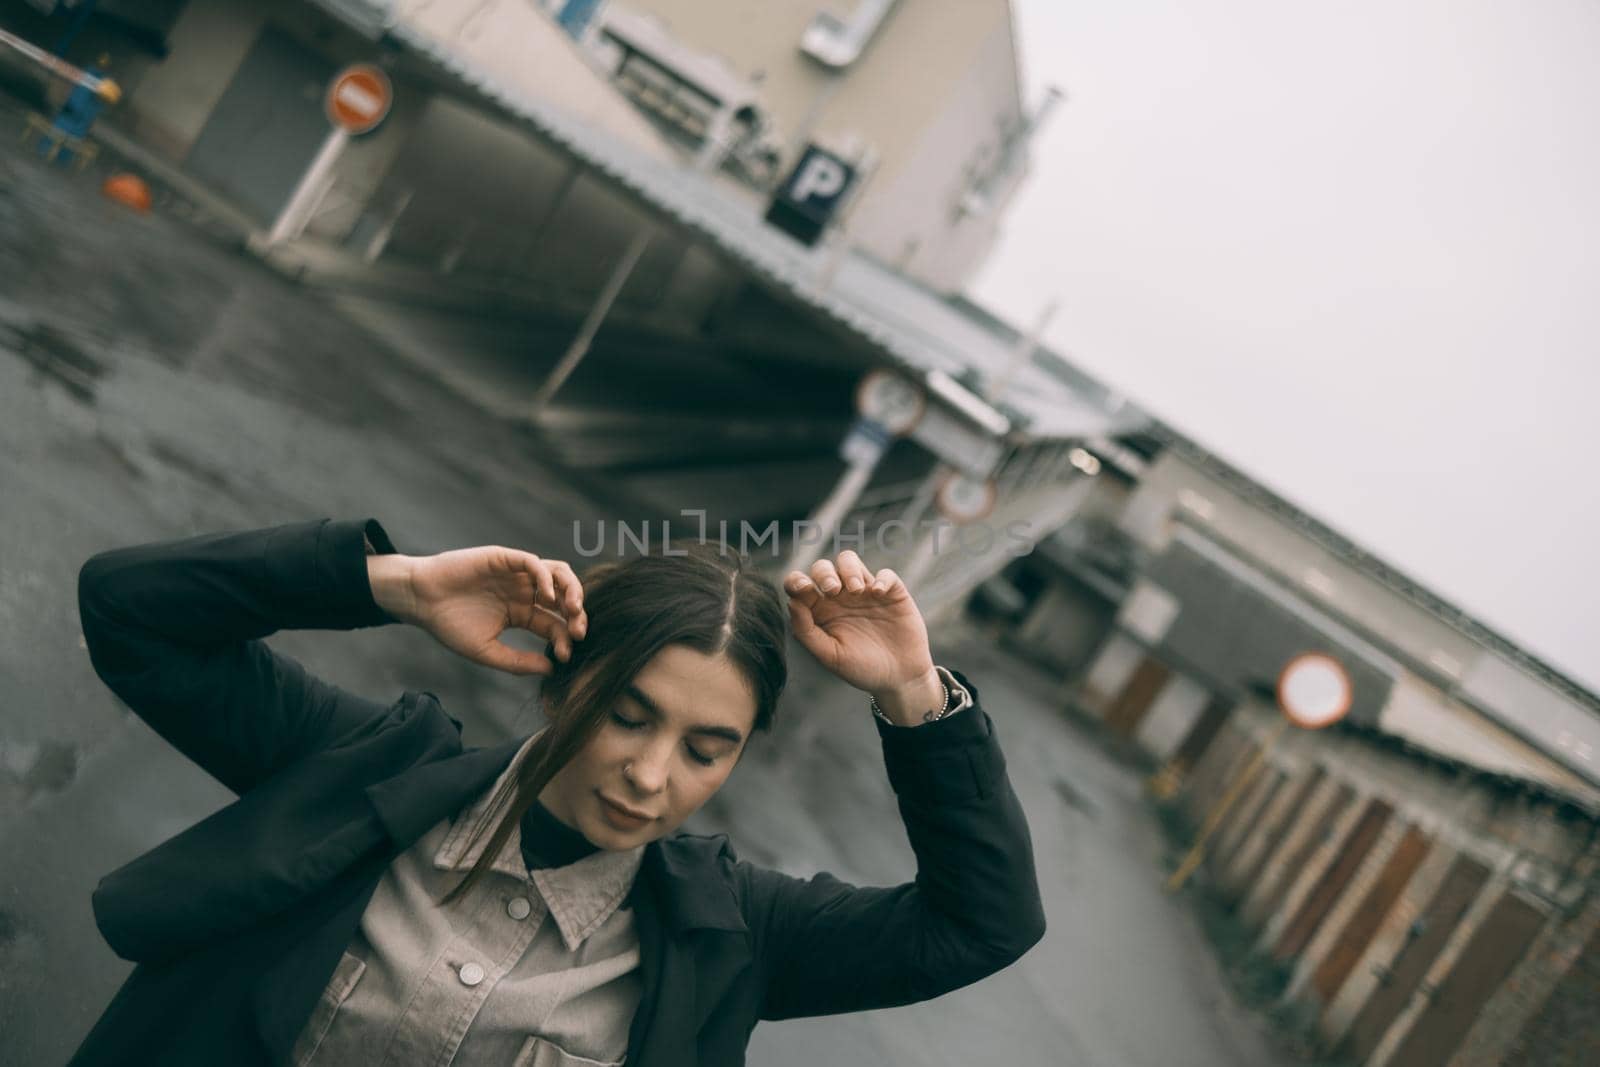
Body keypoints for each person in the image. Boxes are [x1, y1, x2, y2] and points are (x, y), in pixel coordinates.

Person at [68, 516, 1046, 1065]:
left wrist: (915, 694)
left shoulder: (730, 936)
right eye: (629, 714)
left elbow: (981, 923)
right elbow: (130, 612)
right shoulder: (365, 770)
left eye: (708, 746)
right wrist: (395, 583)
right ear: (563, 676)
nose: (652, 774)